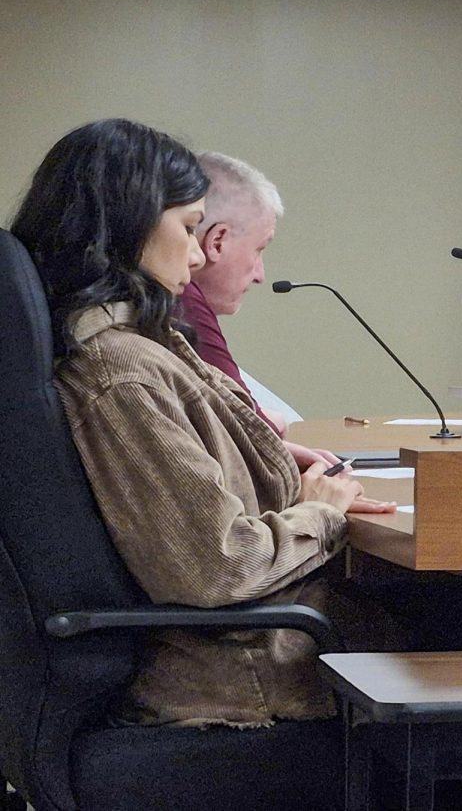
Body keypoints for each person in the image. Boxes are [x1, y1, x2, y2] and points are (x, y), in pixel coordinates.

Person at [10, 119, 394, 727]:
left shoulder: (139, 342)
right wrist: (321, 513)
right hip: (247, 676)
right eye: (188, 228)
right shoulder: (121, 372)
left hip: (257, 643)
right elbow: (220, 565)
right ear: (130, 225)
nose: (196, 252)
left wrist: (276, 469)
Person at [178, 150, 336, 472]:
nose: (261, 274)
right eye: (259, 249)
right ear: (217, 241)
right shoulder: (181, 298)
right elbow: (256, 431)